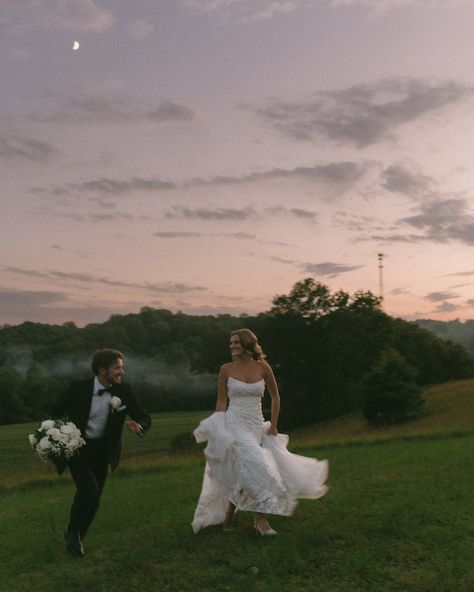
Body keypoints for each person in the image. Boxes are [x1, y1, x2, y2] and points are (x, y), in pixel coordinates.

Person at [192, 329, 328, 535]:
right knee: (260, 465)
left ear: (247, 344)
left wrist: (273, 425)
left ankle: (229, 518)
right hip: (235, 425)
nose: (232, 346)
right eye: (230, 343)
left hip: (257, 425)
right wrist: (219, 427)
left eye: (236, 342)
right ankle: (261, 521)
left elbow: (275, 397)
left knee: (248, 472)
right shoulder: (226, 369)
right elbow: (221, 401)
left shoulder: (263, 367)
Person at [51, 348, 151, 557]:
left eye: (121, 368)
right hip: (77, 448)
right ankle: (72, 533)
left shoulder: (124, 391)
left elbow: (143, 416)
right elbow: (54, 413)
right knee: (88, 490)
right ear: (102, 370)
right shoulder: (78, 388)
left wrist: (139, 426)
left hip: (103, 452)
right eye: (117, 368)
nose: (121, 372)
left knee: (94, 499)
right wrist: (59, 436)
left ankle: (76, 538)